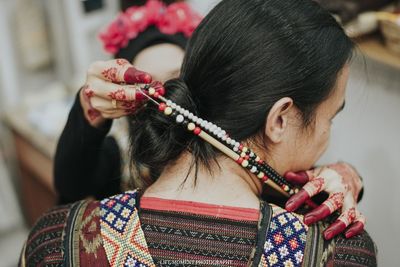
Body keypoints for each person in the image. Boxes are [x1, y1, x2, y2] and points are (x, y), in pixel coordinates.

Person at [21, 0, 377, 266]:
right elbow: (72, 176)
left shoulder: (53, 243)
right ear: (279, 119)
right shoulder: (337, 254)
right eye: (331, 117)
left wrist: (344, 176)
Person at [54, 0, 202, 203]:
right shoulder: (119, 153)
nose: (165, 96)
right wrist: (88, 110)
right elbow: (71, 186)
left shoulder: (222, 139)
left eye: (176, 79)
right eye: (149, 86)